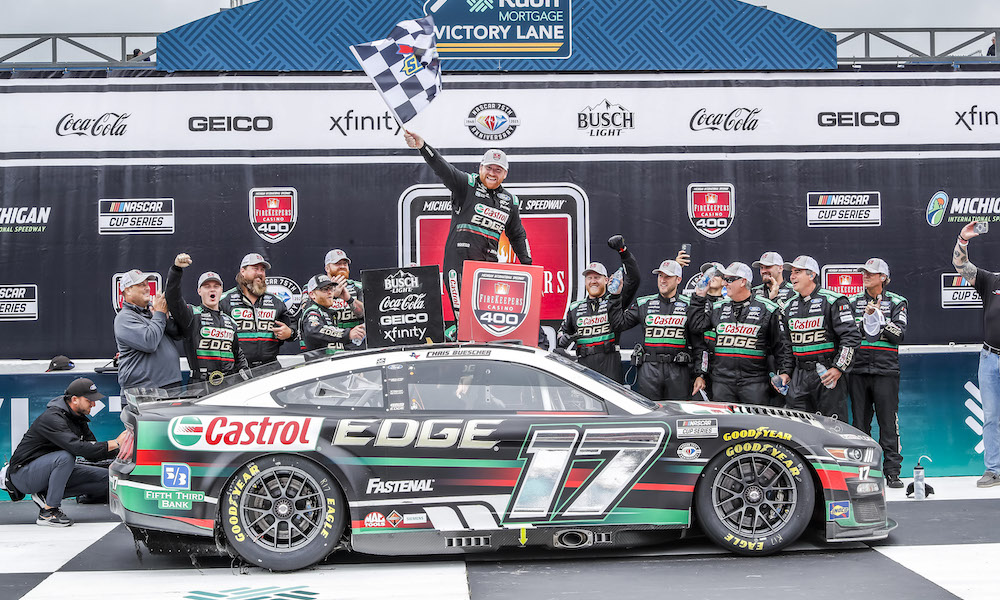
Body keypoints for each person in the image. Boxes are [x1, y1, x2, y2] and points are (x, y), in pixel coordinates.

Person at [403, 130, 531, 327]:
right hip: (459, 265)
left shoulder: (510, 201)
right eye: (489, 168)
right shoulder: (467, 185)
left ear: (505, 174)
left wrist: (529, 268)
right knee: (464, 321)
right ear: (481, 168)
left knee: (485, 322)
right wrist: (422, 146)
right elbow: (443, 168)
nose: (492, 173)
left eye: (498, 170)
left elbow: (517, 235)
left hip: (488, 267)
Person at [5, 378, 126, 526]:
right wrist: (116, 442)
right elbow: (77, 448)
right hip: (22, 475)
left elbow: (91, 454)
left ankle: (45, 494)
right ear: (74, 399)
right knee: (66, 457)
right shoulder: (53, 418)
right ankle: (48, 513)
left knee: (108, 479)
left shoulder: (78, 418)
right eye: (89, 400)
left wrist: (122, 449)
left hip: (47, 470)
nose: (94, 404)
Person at [691, 262, 792, 405]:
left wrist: (785, 372)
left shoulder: (767, 309)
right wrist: (699, 297)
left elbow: (782, 345)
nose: (724, 283)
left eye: (729, 280)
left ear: (743, 282)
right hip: (722, 382)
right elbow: (696, 327)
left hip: (754, 382)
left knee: (755, 420)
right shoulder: (718, 308)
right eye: (724, 279)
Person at [610, 258, 706, 401]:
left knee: (677, 411)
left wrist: (700, 374)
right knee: (650, 410)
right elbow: (618, 324)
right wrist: (615, 296)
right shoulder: (644, 303)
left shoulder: (689, 305)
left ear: (678, 280)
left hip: (678, 371)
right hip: (649, 370)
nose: (662, 280)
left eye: (668, 277)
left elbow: (699, 345)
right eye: (660, 276)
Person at [848, 258, 906, 489]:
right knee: (859, 424)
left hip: (885, 370)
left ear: (883, 277)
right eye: (864, 272)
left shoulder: (898, 302)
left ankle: (892, 472)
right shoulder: (852, 301)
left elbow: (899, 335)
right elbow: (849, 333)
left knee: (888, 423)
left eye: (871, 273)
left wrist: (880, 319)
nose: (866, 276)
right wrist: (866, 319)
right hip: (858, 369)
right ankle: (864, 472)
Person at [781, 255, 861, 421]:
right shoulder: (788, 305)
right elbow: (788, 344)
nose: (792, 276)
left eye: (797, 272)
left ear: (812, 275)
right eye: (791, 272)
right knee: (796, 425)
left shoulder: (834, 300)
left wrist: (838, 368)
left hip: (826, 372)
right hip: (799, 375)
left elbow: (851, 337)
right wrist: (786, 372)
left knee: (832, 426)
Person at [952, 221, 1000, 487]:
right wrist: (963, 239)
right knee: (991, 417)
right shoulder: (992, 281)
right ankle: (994, 469)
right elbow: (961, 266)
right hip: (990, 358)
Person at [557, 236, 639, 383]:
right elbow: (562, 334)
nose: (593, 281)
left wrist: (623, 252)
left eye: (597, 277)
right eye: (589, 278)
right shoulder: (575, 307)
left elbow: (634, 279)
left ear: (606, 280)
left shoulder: (614, 301)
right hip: (584, 365)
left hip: (610, 364)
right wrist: (563, 339)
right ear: (585, 281)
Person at [166, 253, 248, 383]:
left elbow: (238, 355)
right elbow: (173, 298)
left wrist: (247, 377)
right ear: (199, 291)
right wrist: (176, 270)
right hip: (201, 384)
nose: (212, 290)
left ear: (221, 290)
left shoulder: (230, 321)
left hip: (228, 384)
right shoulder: (192, 315)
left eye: (216, 286)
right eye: (207, 287)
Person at [220, 253, 296, 368]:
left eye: (262, 270)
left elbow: (293, 325)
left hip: (270, 367)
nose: (260, 273)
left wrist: (290, 333)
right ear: (243, 271)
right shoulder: (225, 300)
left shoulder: (276, 301)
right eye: (255, 268)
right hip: (237, 369)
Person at [114, 269, 182, 389]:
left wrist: (164, 317)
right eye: (141, 285)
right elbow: (149, 342)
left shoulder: (153, 311)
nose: (148, 288)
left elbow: (178, 334)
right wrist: (160, 314)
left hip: (170, 385)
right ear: (128, 290)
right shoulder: (124, 318)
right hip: (145, 389)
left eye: (147, 284)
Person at [298, 274, 367, 353]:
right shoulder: (313, 310)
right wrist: (347, 334)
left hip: (333, 357)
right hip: (319, 359)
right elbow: (314, 330)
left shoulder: (326, 311)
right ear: (312, 294)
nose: (330, 292)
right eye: (325, 289)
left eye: (331, 288)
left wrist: (349, 299)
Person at [323, 249, 366, 350]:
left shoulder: (359, 287)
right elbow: (308, 315)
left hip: (354, 345)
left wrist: (349, 299)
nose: (342, 266)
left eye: (345, 264)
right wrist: (333, 295)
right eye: (337, 264)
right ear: (327, 268)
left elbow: (367, 315)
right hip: (326, 346)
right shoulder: (314, 288)